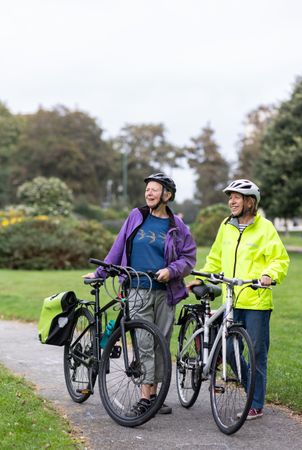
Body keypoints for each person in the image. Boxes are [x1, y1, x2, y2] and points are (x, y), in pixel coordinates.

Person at [84, 172, 196, 415]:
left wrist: (171, 270)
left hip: (165, 293)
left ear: (167, 195)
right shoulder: (137, 216)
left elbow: (189, 258)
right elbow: (118, 247)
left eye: (155, 189)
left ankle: (154, 395)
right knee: (144, 343)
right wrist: (100, 273)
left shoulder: (177, 226)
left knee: (161, 345)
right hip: (137, 290)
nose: (149, 193)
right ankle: (146, 399)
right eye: (148, 189)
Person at [187, 179, 289, 420]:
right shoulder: (226, 226)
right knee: (227, 348)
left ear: (249, 202)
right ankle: (247, 384)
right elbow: (216, 257)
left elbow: (279, 259)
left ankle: (255, 403)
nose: (231, 201)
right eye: (229, 197)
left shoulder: (265, 228)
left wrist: (268, 275)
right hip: (231, 299)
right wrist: (203, 277)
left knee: (256, 354)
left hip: (255, 301)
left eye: (236, 197)